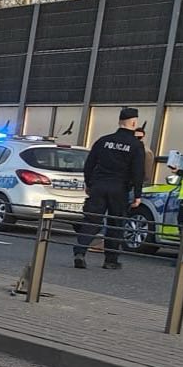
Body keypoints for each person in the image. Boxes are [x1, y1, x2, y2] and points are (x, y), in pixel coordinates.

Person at [73, 107, 147, 269]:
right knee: (115, 224)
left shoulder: (103, 140)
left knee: (91, 220)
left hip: (99, 186)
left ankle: (80, 252)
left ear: (119, 122)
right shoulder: (136, 145)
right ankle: (110, 260)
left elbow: (89, 164)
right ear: (134, 122)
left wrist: (89, 183)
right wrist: (137, 194)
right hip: (119, 189)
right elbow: (138, 172)